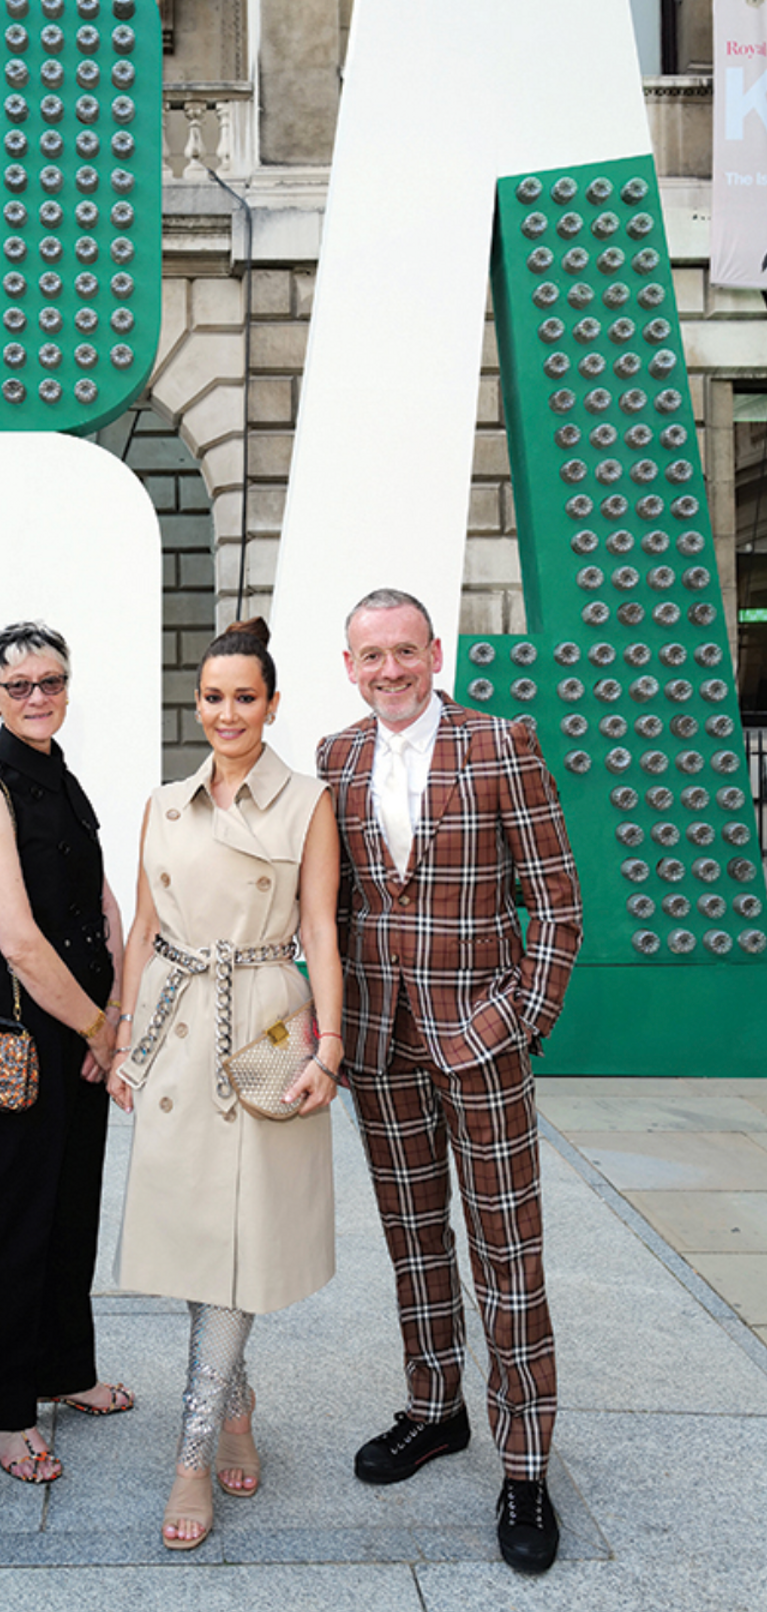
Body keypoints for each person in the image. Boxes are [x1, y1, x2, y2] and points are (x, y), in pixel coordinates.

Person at [316, 588, 582, 1575]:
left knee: (508, 1251)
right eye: (369, 656)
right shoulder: (336, 757)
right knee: (415, 1239)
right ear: (348, 665)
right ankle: (435, 1411)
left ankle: (525, 1462)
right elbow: (334, 907)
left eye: (403, 652)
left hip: (484, 1043)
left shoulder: (501, 744)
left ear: (435, 651)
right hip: (381, 1048)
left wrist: (513, 1020)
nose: (388, 670)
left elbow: (557, 904)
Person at [110, 619, 343, 1551]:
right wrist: (126, 1036)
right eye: (212, 697)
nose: (227, 712)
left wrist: (330, 1047)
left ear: (273, 703)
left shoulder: (307, 802)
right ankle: (238, 1399)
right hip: (173, 1026)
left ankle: (192, 1451)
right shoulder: (164, 803)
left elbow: (320, 929)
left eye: (245, 697)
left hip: (263, 1031)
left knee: (242, 1240)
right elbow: (140, 927)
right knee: (198, 1239)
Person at [0, 620, 130, 1485]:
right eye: (18, 686)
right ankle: (6, 1406)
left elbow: (103, 904)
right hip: (22, 1027)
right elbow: (19, 940)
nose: (37, 697)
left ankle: (67, 1369)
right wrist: (97, 1025)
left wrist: (115, 1014)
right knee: (17, 1215)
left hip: (85, 1022)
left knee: (73, 1204)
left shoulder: (61, 774)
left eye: (50, 681)